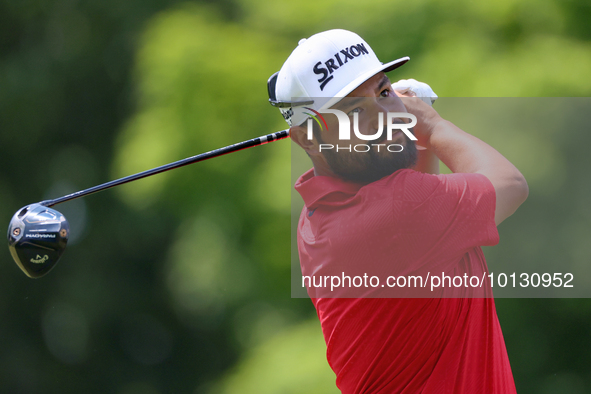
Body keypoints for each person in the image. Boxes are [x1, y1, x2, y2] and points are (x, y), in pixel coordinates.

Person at [268, 29, 528, 393]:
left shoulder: (319, 216)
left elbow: (421, 219)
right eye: (355, 110)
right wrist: (431, 124)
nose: (388, 118)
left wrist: (410, 130)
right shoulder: (398, 211)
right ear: (308, 138)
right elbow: (511, 184)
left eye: (383, 92)